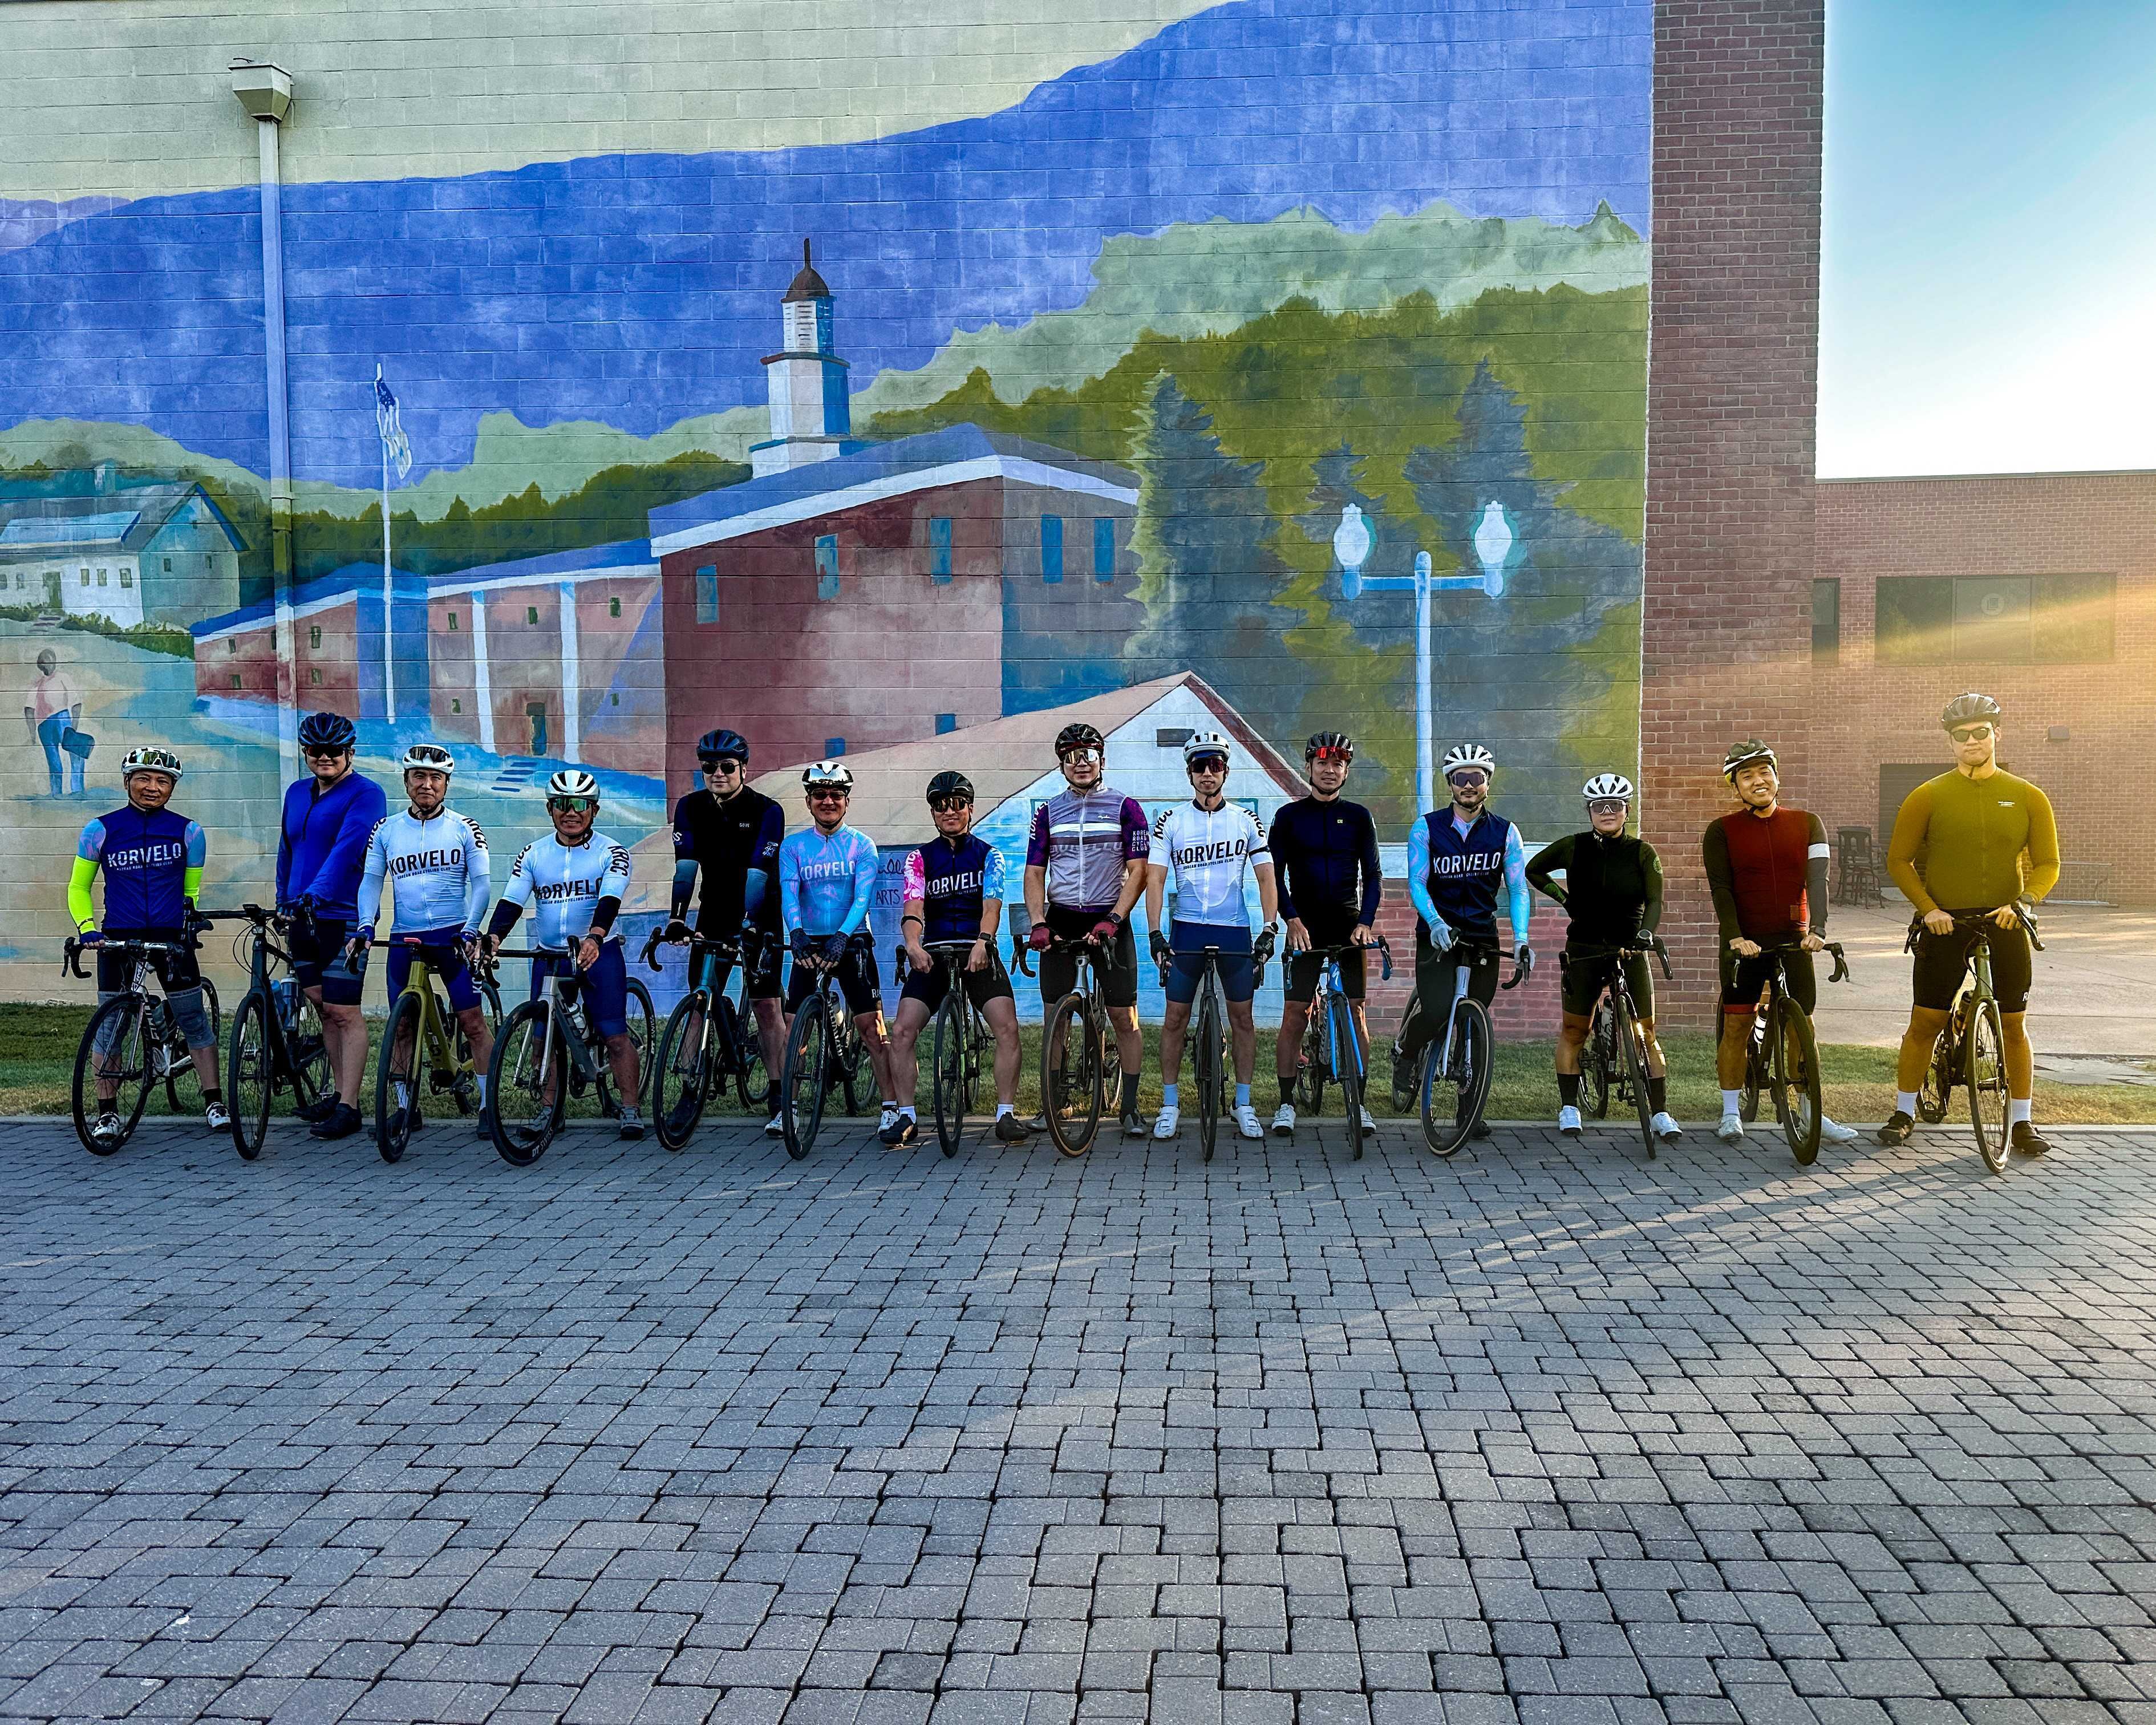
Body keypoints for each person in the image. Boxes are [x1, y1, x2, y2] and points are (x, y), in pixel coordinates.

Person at [1877, 693, 2060, 1155]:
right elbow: (1898, 860)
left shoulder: (2028, 796)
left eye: (1982, 732)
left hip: (2006, 920)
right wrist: (1927, 908)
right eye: (1962, 735)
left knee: (2015, 1024)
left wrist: (2024, 902)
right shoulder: (1928, 795)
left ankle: (2021, 1121)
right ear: (1950, 742)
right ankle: (1904, 1111)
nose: (1973, 741)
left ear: (1998, 734)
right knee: (1926, 1022)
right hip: (1944, 924)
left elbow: (2048, 864)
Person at [1703, 740, 1859, 1146]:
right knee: (1737, 1025)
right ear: (1735, 786)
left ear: (1777, 776)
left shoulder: (1808, 823)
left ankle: (1811, 1112)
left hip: (1794, 939)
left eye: (1764, 772)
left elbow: (1818, 880)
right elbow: (1721, 888)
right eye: (1747, 776)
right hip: (1744, 941)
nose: (1758, 781)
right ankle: (1730, 1112)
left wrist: (1818, 931)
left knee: (1801, 1025)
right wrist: (1736, 936)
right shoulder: (1722, 830)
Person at [66, 746, 226, 1140]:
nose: (152, 788)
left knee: (193, 1020)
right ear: (127, 783)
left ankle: (214, 1100)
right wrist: (88, 929)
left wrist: (189, 923)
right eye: (143, 779)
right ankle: (107, 1113)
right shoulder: (100, 830)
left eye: (162, 781)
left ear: (172, 787)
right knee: (111, 1028)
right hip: (117, 936)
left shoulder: (189, 831)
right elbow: (78, 886)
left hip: (171, 936)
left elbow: (191, 893)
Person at [482, 768, 645, 1140]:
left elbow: (611, 897)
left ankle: (631, 1108)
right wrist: (493, 937)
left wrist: (595, 937)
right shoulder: (534, 853)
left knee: (614, 1034)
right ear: (549, 809)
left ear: (594, 810)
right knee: (543, 1036)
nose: (570, 812)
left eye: (580, 805)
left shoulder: (611, 851)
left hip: (597, 953)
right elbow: (511, 901)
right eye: (561, 805)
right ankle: (549, 1110)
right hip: (550, 956)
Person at [347, 744, 495, 1141]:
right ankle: (404, 1106)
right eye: (419, 777)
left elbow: (481, 884)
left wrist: (472, 927)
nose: (426, 785)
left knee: (473, 1023)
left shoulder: (465, 827)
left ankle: (488, 1105)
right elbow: (371, 881)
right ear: (407, 781)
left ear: (446, 784)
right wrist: (365, 926)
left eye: (435, 778)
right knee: (402, 1027)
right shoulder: (387, 829)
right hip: (404, 938)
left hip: (453, 935)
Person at [1526, 774, 1681, 1144]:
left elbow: (1656, 900)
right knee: (1575, 1031)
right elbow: (1534, 869)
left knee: (1647, 1035)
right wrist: (1564, 899)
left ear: (1628, 809)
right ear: (1590, 812)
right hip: (1584, 950)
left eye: (1615, 806)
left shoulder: (1643, 853)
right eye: (1599, 807)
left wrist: (1645, 933)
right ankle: (1569, 1107)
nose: (1607, 812)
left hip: (1630, 948)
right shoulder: (1573, 847)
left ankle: (1660, 1112)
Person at [1390, 743, 1534, 1136]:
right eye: (1461, 778)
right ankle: (1406, 1051)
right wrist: (1435, 922)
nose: (1469, 785)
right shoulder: (1427, 828)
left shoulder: (1506, 832)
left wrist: (1521, 938)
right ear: (1450, 783)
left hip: (1482, 935)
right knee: (1438, 1011)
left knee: (1475, 1020)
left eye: (1477, 777)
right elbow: (1417, 882)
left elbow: (1519, 890)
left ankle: (1468, 1111)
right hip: (1438, 935)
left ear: (1488, 782)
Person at [1144, 731, 1278, 1141]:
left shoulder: (1245, 819)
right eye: (1199, 766)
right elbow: (1155, 880)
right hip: (1186, 929)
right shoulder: (1171, 820)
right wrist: (1154, 932)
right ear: (1189, 773)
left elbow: (1267, 876)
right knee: (1174, 1020)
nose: (1207, 773)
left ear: (1225, 772)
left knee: (1242, 1020)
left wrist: (1270, 926)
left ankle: (1244, 1103)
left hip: (1235, 930)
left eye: (1215, 765)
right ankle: (1169, 1104)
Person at [1023, 723, 1152, 1137]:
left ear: (1102, 760)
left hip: (1110, 918)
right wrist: (1039, 922)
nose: (1081, 763)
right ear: (1061, 766)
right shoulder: (1047, 812)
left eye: (1089, 755)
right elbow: (1034, 872)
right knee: (1054, 1018)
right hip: (1062, 917)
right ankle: (1054, 1102)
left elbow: (1138, 871)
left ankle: (1129, 1108)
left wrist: (1114, 918)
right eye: (1071, 757)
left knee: (1123, 1017)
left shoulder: (1125, 807)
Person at [887, 771, 1028, 1145]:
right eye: (941, 806)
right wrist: (914, 945)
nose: (950, 812)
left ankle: (1006, 1114)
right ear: (933, 812)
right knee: (901, 1032)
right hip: (933, 953)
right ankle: (905, 1116)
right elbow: (913, 906)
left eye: (957, 805)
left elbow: (992, 905)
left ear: (970, 809)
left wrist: (984, 941)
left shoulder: (989, 855)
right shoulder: (919, 858)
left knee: (1008, 1028)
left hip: (977, 950)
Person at [665, 726, 788, 1137]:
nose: (718, 773)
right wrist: (677, 917)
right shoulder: (690, 807)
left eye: (727, 766)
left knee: (767, 1006)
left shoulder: (767, 811)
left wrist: (751, 926)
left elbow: (758, 871)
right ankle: (688, 1087)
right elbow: (685, 868)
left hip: (760, 912)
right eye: (709, 767)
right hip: (714, 913)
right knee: (699, 1001)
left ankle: (778, 1093)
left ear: (744, 769)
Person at [276, 712, 388, 1141]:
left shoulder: (366, 794)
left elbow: (347, 851)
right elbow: (287, 850)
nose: (325, 757)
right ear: (306, 752)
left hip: (342, 915)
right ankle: (338, 1093)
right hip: (301, 915)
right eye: (316, 751)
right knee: (322, 1005)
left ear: (349, 753)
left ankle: (350, 1106)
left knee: (344, 1010)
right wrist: (283, 899)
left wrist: (314, 896)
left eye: (334, 751)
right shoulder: (296, 793)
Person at [1270, 731, 1382, 1137]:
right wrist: (1292, 920)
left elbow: (1372, 875)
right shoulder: (1288, 817)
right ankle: (1285, 1103)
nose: (1329, 770)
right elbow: (1274, 878)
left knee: (1356, 1012)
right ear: (1309, 768)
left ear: (1346, 771)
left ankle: (1361, 1103)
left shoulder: (1358, 817)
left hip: (1348, 925)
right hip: (1304, 925)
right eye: (1322, 763)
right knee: (1295, 1014)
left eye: (1337, 764)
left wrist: (1365, 923)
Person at [777, 760, 898, 1133]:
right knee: (794, 1027)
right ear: (808, 801)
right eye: (819, 795)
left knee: (872, 1030)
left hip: (852, 941)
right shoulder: (794, 846)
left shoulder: (862, 845)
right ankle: (789, 1109)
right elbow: (789, 892)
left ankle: (891, 1108)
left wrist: (844, 936)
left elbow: (862, 898)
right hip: (809, 942)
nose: (827, 801)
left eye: (835, 795)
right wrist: (795, 932)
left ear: (847, 801)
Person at [25, 647, 84, 798]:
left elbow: (76, 702)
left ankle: (76, 790)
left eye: (48, 663)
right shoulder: (37, 684)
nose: (46, 667)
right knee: (54, 760)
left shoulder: (62, 677)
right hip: (45, 725)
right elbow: (29, 709)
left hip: (61, 719)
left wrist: (74, 726)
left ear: (54, 662)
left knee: (75, 754)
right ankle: (57, 793)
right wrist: (32, 733)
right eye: (43, 664)